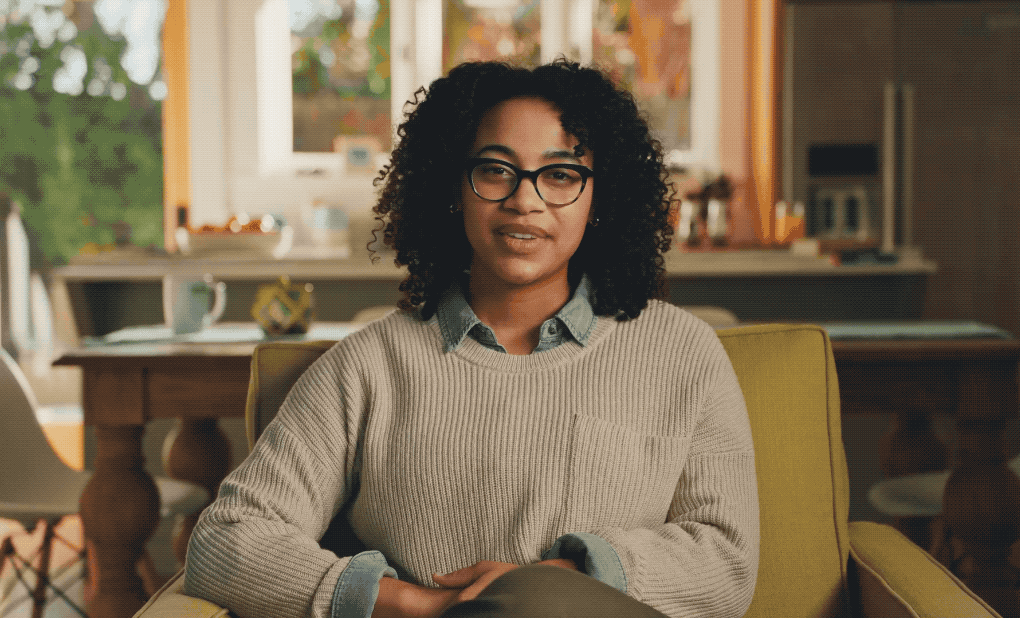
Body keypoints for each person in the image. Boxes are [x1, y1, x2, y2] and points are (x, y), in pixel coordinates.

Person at [183, 59, 759, 618]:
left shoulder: (685, 353)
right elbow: (228, 540)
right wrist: (417, 605)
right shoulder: (369, 367)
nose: (524, 200)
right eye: (495, 169)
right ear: (453, 187)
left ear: (598, 198)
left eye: (560, 174)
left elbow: (727, 563)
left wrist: (558, 584)